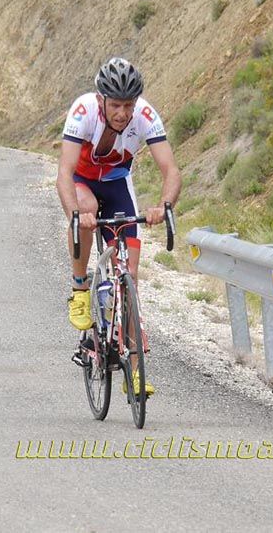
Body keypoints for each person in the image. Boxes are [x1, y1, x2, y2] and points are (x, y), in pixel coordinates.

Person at [55, 57, 181, 397]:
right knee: (86, 208)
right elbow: (64, 172)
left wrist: (163, 206)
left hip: (117, 185)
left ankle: (135, 375)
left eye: (129, 105)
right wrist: (75, 215)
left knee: (131, 279)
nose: (123, 113)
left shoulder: (145, 116)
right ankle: (80, 290)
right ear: (101, 101)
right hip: (83, 184)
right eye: (116, 105)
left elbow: (171, 170)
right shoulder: (83, 111)